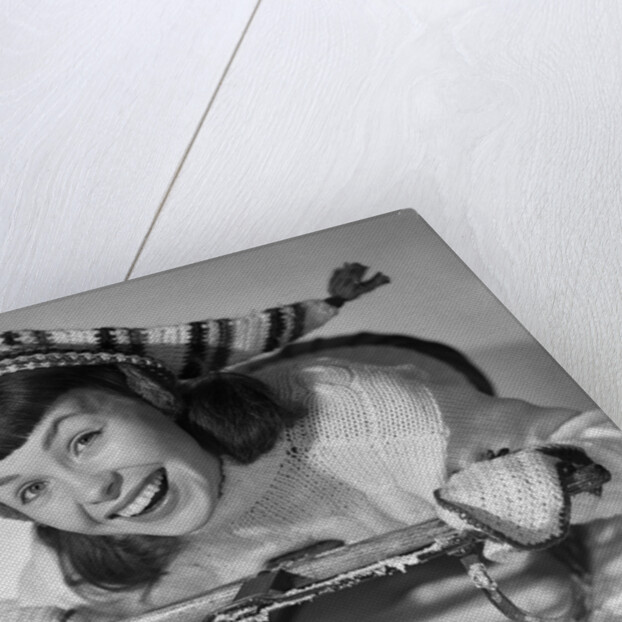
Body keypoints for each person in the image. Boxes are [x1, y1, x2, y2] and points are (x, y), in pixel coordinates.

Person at [0, 264, 621, 622]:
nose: (91, 493)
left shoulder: (349, 419)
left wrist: (549, 482)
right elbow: (33, 608)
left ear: (149, 391)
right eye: (31, 488)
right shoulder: (77, 557)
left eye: (83, 440)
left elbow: (605, 446)